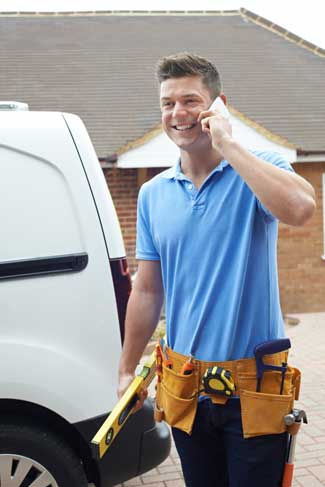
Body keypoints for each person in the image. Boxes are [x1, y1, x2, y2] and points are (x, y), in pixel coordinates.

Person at [117, 52, 316, 487]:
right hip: (186, 388)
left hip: (253, 391)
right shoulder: (153, 195)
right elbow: (148, 291)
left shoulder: (257, 169)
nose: (178, 113)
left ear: (217, 105)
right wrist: (127, 370)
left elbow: (302, 209)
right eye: (168, 103)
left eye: (190, 100)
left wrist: (228, 143)